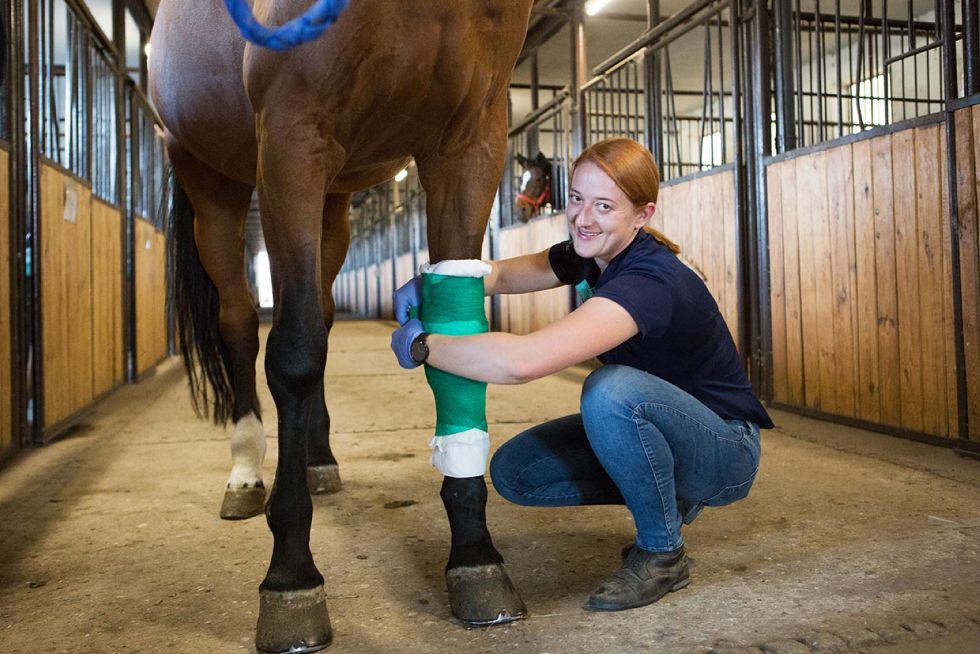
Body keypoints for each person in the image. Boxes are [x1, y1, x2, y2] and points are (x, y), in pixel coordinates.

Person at [390, 137, 772, 612]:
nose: (583, 218)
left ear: (643, 214)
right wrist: (438, 285)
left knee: (611, 393)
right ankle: (668, 496)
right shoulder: (591, 251)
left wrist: (424, 346)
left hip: (725, 451)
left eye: (604, 206)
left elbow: (522, 362)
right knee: (518, 474)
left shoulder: (649, 281)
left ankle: (662, 555)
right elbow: (503, 276)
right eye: (576, 198)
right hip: (671, 431)